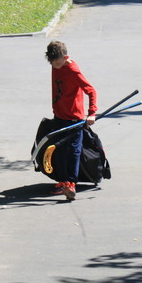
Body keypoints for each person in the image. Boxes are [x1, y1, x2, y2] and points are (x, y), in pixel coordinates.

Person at [45, 40, 97, 201]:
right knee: (59, 151)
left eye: (59, 63)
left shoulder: (73, 70)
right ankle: (62, 181)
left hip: (74, 119)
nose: (56, 66)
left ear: (65, 57)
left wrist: (91, 113)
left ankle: (71, 184)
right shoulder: (55, 64)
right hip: (59, 116)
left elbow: (91, 91)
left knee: (73, 151)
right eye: (53, 63)